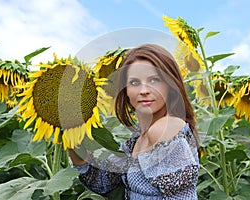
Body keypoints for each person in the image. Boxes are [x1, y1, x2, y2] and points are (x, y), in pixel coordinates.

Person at [68, 44, 200, 199]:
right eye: (135, 83)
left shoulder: (166, 129)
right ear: (126, 90)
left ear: (170, 85)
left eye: (154, 80)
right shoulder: (136, 140)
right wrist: (71, 135)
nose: (144, 90)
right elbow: (101, 182)